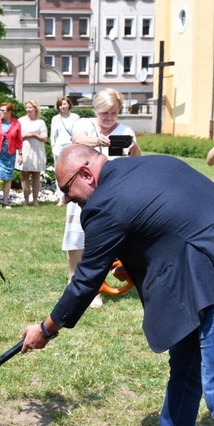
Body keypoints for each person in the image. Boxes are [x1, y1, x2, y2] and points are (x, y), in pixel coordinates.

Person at [22, 144, 214, 426]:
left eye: (68, 189)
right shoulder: (152, 164)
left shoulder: (103, 203)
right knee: (186, 370)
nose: (68, 198)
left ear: (86, 174)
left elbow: (85, 280)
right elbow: (178, 226)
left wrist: (46, 329)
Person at [70, 88, 141, 308]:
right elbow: (75, 139)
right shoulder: (85, 125)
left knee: (101, 242)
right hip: (83, 190)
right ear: (96, 110)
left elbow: (137, 158)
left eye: (114, 113)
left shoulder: (126, 129)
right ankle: (72, 281)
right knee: (76, 240)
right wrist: (96, 141)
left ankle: (96, 287)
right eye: (104, 113)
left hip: (112, 193)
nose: (109, 118)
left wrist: (134, 148)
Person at [49, 96, 80, 204]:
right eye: (60, 104)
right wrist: (53, 146)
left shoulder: (75, 117)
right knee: (59, 173)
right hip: (58, 147)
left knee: (72, 171)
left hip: (71, 146)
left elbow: (78, 132)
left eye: (64, 104)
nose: (62, 106)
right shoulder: (55, 119)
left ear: (69, 105)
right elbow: (53, 134)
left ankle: (72, 195)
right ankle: (60, 197)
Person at [17, 99, 48, 207]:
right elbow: (16, 137)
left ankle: (35, 200)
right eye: (27, 107)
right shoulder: (20, 121)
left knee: (36, 176)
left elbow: (44, 138)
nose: (28, 109)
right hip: (24, 150)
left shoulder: (41, 122)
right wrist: (26, 136)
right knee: (24, 176)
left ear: (35, 108)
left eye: (31, 107)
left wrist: (35, 135)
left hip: (37, 151)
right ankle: (26, 200)